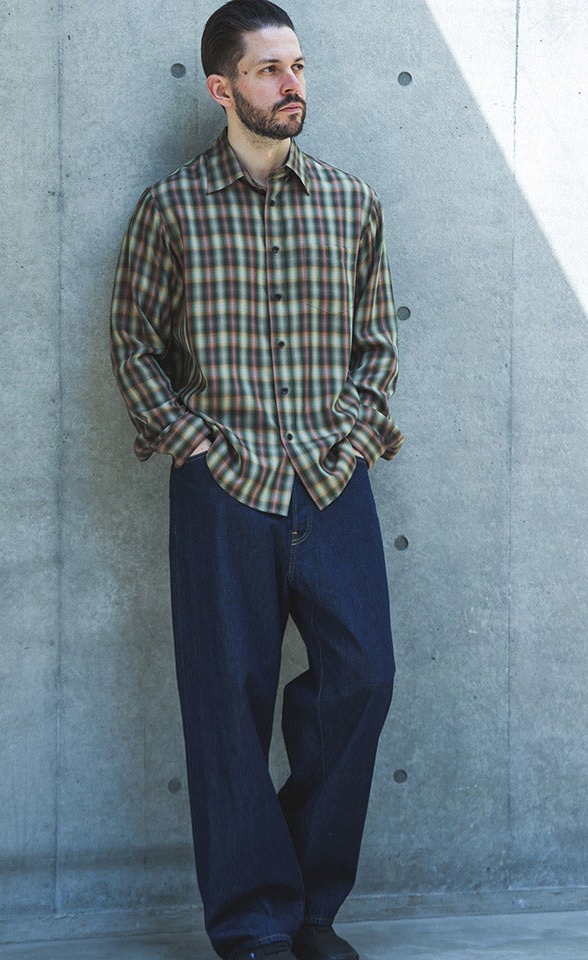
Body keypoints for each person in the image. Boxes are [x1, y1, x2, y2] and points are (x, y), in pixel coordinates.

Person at [110, 3, 403, 958]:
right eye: (270, 69)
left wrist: (353, 437)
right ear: (222, 87)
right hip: (222, 487)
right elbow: (134, 345)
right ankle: (254, 926)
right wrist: (191, 441)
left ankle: (309, 908)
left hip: (330, 477)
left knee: (363, 677)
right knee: (225, 706)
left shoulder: (352, 204)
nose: (292, 85)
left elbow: (377, 346)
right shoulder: (170, 209)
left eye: (299, 66)